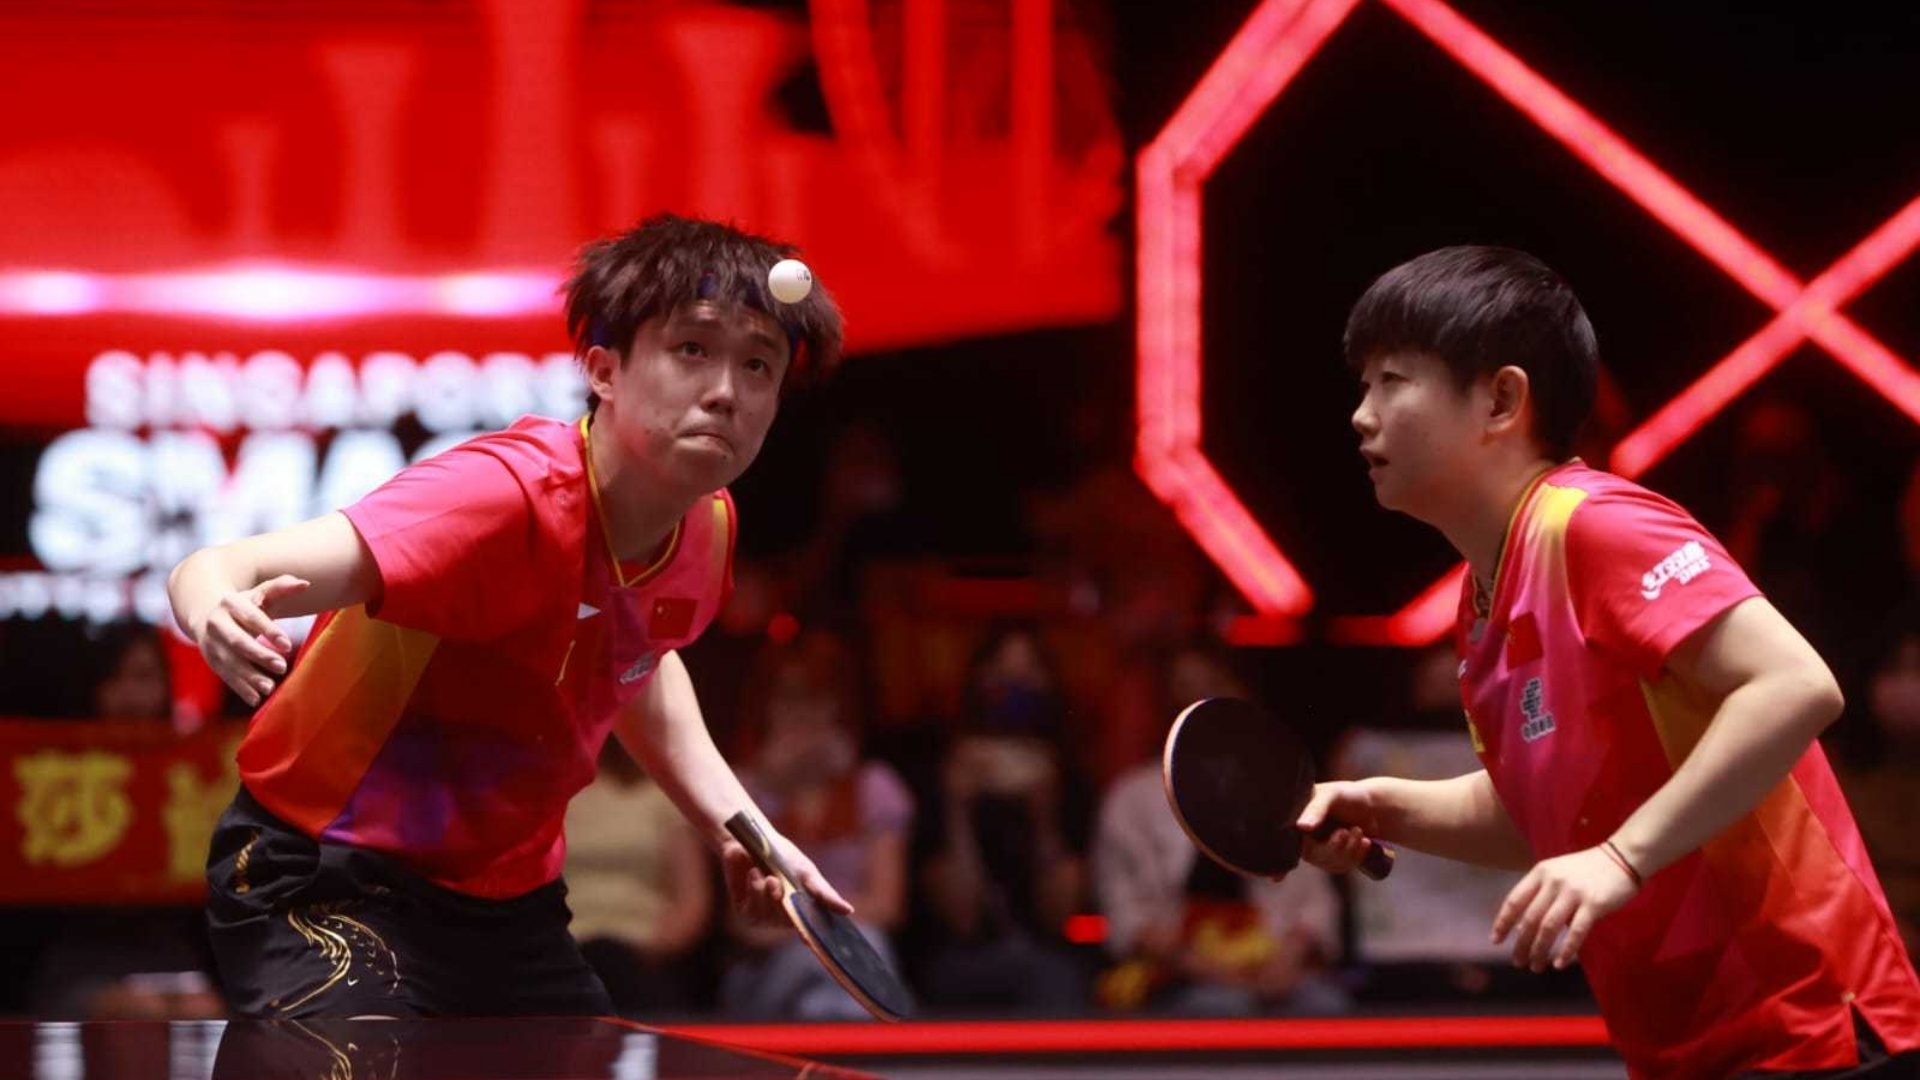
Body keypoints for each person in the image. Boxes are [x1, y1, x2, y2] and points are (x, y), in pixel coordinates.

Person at [166, 213, 852, 1018]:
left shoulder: (707, 531)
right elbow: (223, 565)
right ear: (604, 370)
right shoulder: (498, 500)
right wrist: (211, 605)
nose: (726, 390)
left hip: (508, 905)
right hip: (327, 873)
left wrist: (739, 827)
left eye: (758, 364)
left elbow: (638, 659)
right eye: (692, 349)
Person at [1299, 246, 1920, 1079]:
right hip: (1686, 1050)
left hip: (1814, 1030)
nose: (1361, 415)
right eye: (1363, 385)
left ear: (1501, 399)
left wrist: (1622, 858)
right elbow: (1542, 813)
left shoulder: (1595, 525)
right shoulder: (1481, 604)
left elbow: (1794, 684)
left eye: (1391, 381)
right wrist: (1380, 805)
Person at [719, 629, 914, 1019]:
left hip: (858, 950)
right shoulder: (738, 790)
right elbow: (745, 926)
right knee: (816, 963)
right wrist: (771, 786)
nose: (803, 714)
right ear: (766, 706)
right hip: (766, 969)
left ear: (839, 708)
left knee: (852, 960)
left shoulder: (875, 787)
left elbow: (887, 905)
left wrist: (808, 929)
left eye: (817, 699)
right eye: (789, 698)